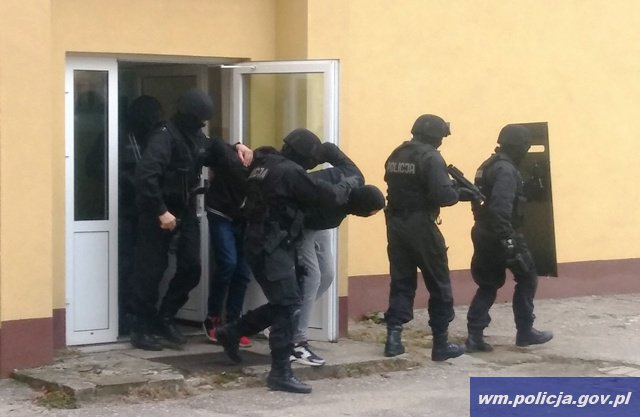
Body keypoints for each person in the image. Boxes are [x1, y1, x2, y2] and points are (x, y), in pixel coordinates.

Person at [213, 129, 359, 394]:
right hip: (270, 245)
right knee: (289, 305)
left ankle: (232, 332)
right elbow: (328, 197)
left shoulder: (265, 162)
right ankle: (280, 372)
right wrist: (348, 184)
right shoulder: (290, 173)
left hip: (260, 242)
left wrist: (237, 146)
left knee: (285, 302)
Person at [128, 88, 252, 351]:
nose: (202, 124)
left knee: (191, 268)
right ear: (188, 114)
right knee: (150, 272)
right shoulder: (164, 136)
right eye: (199, 119)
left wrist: (236, 147)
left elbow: (211, 150)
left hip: (184, 210)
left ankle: (165, 317)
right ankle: (141, 327)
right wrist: (161, 211)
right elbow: (146, 176)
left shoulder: (195, 135)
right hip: (157, 211)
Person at [383, 114, 475, 362]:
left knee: (401, 280)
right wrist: (460, 193)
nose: (441, 142)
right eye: (441, 137)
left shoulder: (398, 153)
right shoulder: (431, 157)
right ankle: (441, 344)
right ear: (435, 136)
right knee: (439, 282)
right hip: (421, 224)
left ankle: (393, 339)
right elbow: (443, 196)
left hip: (396, 223)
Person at [292, 142, 386, 366]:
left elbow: (328, 148)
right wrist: (299, 171)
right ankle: (295, 340)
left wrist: (310, 165)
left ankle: (289, 318)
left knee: (326, 275)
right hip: (302, 220)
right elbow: (301, 221)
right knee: (312, 277)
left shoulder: (355, 175)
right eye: (369, 214)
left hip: (317, 222)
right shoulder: (332, 210)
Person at [465, 124, 553, 352]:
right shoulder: (506, 169)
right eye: (525, 147)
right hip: (502, 233)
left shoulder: (487, 165)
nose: (526, 151)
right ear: (518, 146)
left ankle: (474, 335)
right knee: (527, 278)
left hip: (483, 231)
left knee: (488, 285)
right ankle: (525, 332)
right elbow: (500, 206)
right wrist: (508, 238)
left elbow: (481, 201)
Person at [118, 95, 164, 334]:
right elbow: (93, 165)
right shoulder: (118, 136)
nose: (155, 120)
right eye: (152, 116)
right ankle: (125, 315)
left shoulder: (155, 139)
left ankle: (145, 315)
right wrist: (125, 178)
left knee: (148, 268)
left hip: (148, 212)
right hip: (124, 211)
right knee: (127, 266)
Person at [201, 152, 253, 348]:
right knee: (228, 263)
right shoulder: (230, 159)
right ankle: (212, 318)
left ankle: (234, 325)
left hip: (243, 219)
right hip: (221, 213)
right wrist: (237, 146)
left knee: (243, 272)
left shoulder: (264, 173)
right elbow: (213, 147)